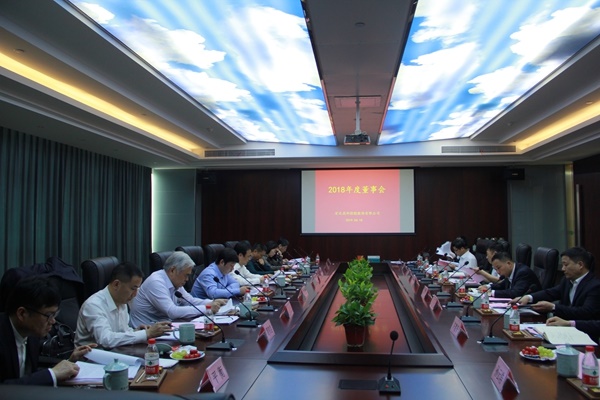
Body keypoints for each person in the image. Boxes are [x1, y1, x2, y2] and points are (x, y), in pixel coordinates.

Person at [0, 276, 94, 385]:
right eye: (48, 315)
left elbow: (29, 374)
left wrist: (69, 362)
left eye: (55, 314)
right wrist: (52, 374)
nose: (53, 321)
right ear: (22, 314)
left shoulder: (31, 334)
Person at [75, 262, 172, 348]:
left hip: (115, 353)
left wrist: (136, 331)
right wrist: (146, 334)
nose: (135, 294)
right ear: (116, 284)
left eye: (137, 289)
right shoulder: (93, 305)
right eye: (133, 289)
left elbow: (121, 333)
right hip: (89, 359)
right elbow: (106, 340)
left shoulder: (122, 302)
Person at [129, 252, 226, 327]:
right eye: (186, 275)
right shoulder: (156, 282)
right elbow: (172, 312)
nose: (187, 279)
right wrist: (207, 308)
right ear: (173, 270)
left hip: (163, 327)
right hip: (145, 331)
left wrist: (213, 302)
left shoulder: (175, 282)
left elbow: (190, 301)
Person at [513, 247, 600, 320]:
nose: (563, 269)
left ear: (580, 265)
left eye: (566, 265)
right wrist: (528, 297)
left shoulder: (595, 286)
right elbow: (551, 293)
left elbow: (586, 312)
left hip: (582, 331)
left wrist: (553, 307)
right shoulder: (567, 280)